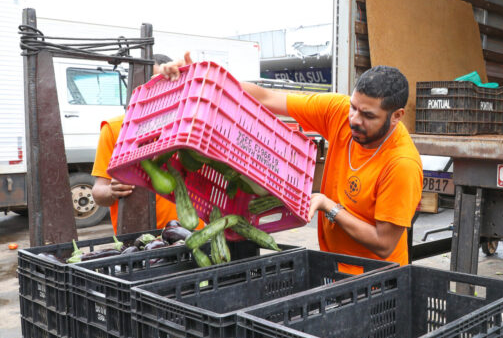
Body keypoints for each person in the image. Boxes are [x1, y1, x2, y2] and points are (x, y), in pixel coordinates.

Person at [162, 58, 423, 272]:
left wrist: (326, 205)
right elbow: (267, 98)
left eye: (368, 116)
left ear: (396, 116)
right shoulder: (338, 111)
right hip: (333, 267)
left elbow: (383, 243)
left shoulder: (401, 164)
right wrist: (204, 77)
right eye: (354, 107)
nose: (354, 119)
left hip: (378, 281)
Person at [91, 54, 184, 234]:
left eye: (165, 83)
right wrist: (111, 191)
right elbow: (98, 191)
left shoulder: (188, 125)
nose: (158, 90)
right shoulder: (114, 129)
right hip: (139, 242)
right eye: (152, 84)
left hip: (191, 235)